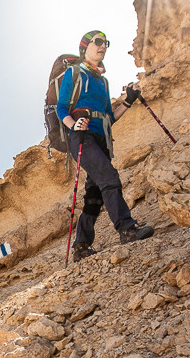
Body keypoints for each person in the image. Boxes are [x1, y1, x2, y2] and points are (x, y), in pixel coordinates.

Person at [55, 30, 154, 262]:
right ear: (84, 48)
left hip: (102, 139)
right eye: (97, 42)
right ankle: (127, 229)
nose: (103, 46)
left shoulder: (103, 81)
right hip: (81, 138)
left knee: (94, 195)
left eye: (105, 43)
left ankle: (81, 246)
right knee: (109, 177)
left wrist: (128, 100)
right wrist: (74, 124)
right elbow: (61, 108)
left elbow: (110, 116)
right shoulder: (74, 72)